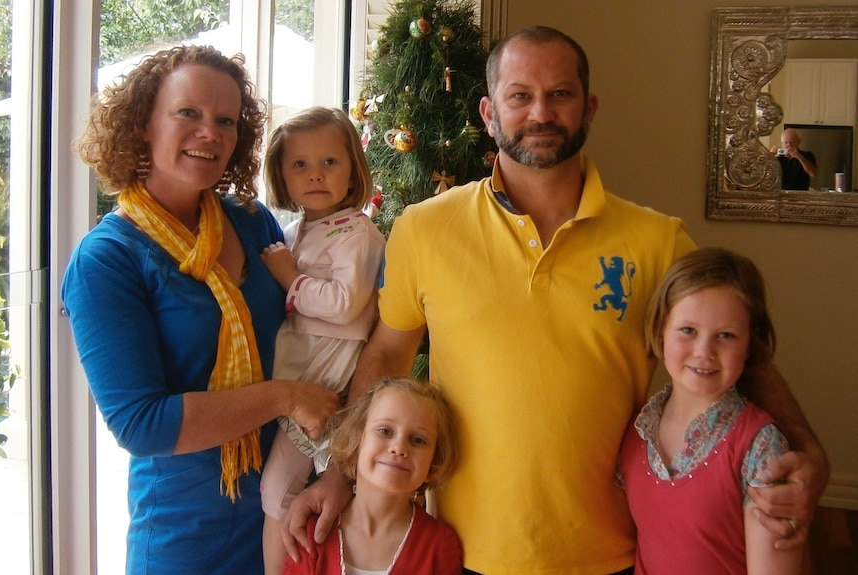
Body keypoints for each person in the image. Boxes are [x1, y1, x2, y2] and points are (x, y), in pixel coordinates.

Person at [282, 26, 830, 575]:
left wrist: (805, 449)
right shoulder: (423, 229)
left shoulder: (657, 240)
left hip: (610, 551)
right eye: (519, 96)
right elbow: (386, 357)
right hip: (459, 550)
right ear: (489, 113)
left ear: (588, 108)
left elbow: (737, 349)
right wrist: (338, 473)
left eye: (559, 94)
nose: (540, 112)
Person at [61, 45, 340, 574]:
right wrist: (285, 397)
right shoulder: (108, 259)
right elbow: (142, 425)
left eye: (226, 120)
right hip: (188, 536)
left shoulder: (250, 222)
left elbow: (315, 325)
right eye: (188, 112)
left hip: (289, 514)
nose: (209, 132)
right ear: (142, 123)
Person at [618, 247, 802, 574]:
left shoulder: (760, 449)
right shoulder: (637, 432)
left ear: (749, 346)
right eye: (688, 330)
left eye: (726, 336)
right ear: (660, 330)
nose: (704, 352)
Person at [259, 106, 386, 575]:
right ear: (281, 174)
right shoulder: (291, 233)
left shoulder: (359, 233)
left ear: (353, 167)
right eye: (300, 165)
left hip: (327, 373)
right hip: (296, 370)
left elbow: (344, 304)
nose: (315, 175)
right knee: (284, 487)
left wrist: (291, 279)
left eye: (329, 162)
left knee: (278, 489)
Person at [284, 377, 462, 574]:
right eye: (385, 431)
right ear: (356, 442)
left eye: (418, 440)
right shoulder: (310, 533)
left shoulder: (439, 546)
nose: (399, 448)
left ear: (433, 462)